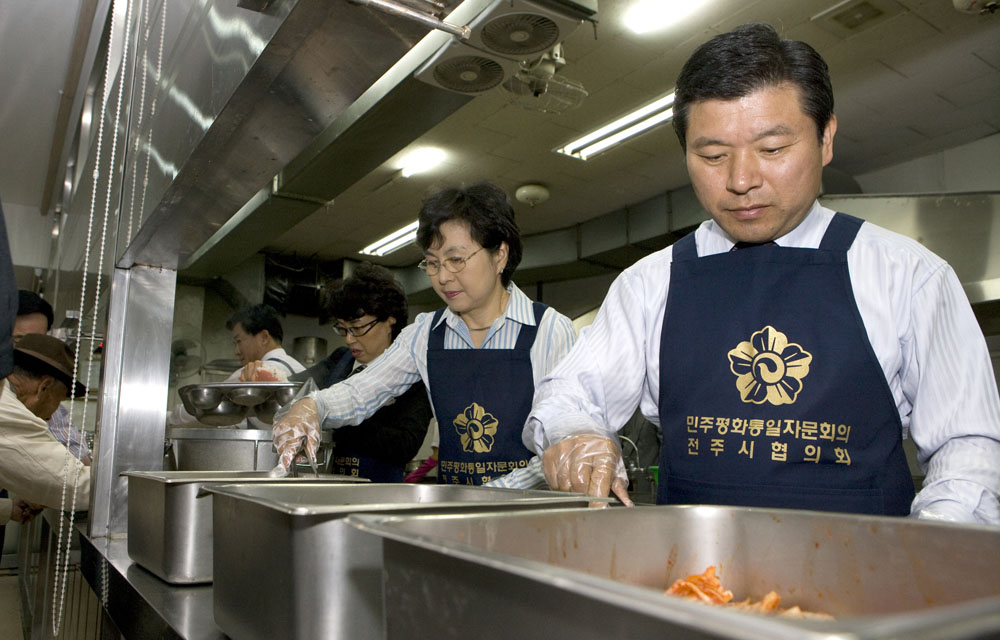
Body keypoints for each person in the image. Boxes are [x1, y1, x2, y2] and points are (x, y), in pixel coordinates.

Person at [528, 23, 1000, 523]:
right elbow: (570, 392)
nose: (740, 181)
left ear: (826, 139)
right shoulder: (649, 284)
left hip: (866, 578)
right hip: (691, 579)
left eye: (772, 150)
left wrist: (928, 556)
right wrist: (575, 432)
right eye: (712, 156)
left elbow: (968, 448)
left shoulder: (910, 276)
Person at [271, 181, 577, 486]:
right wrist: (312, 406)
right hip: (455, 518)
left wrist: (494, 494)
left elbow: (567, 444)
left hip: (531, 518)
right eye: (432, 263)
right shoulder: (425, 334)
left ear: (500, 255)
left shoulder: (548, 330)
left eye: (456, 260)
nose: (443, 277)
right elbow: (360, 392)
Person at [289, 263, 433, 481]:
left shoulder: (414, 372)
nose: (349, 339)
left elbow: (405, 445)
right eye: (343, 329)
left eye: (357, 328)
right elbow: (295, 386)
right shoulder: (341, 359)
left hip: (376, 496)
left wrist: (334, 418)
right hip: (327, 487)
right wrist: (268, 377)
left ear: (390, 320)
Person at [167, 303, 305, 428]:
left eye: (239, 341)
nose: (236, 351)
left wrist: (166, 418)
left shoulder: (254, 373)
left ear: (263, 337)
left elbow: (205, 407)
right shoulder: (301, 369)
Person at [1, 334, 91, 524]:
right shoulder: (7, 410)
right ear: (45, 386)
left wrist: (7, 508)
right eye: (59, 400)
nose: (52, 415)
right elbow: (74, 486)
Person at [15, 290, 92, 464]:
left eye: (37, 341)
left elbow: (77, 453)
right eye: (18, 341)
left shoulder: (45, 397)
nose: (29, 353)